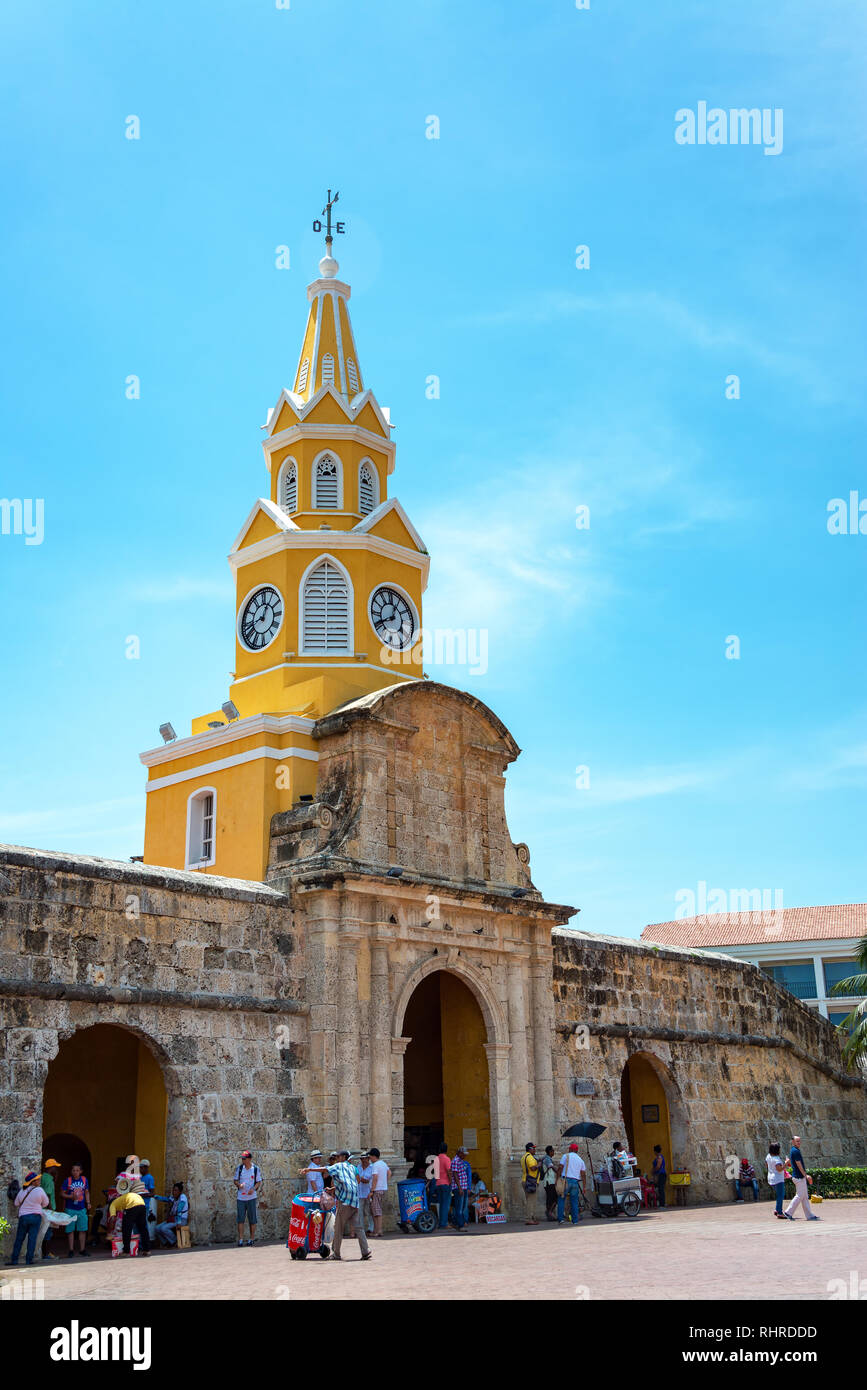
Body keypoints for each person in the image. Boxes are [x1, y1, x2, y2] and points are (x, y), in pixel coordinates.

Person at [300, 1149, 371, 1261]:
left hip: (345, 1201)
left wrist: (309, 1169)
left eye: (338, 1157)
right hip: (354, 1200)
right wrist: (333, 1188)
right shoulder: (352, 1168)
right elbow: (354, 1181)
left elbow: (325, 1169)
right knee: (359, 1227)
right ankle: (365, 1251)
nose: (336, 1159)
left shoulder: (339, 1166)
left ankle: (336, 1254)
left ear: (343, 1157)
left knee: (338, 1228)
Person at [5, 1172, 49, 1267]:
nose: (39, 1180)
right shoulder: (40, 1190)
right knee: (32, 1239)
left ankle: (14, 1260)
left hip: (24, 1217)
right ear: (32, 1182)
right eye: (37, 1179)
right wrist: (37, 1204)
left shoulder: (22, 1191)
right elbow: (46, 1203)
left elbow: (16, 1203)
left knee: (19, 1239)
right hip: (35, 1217)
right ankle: (29, 1260)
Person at [784, 1135, 818, 1221]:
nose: (799, 1143)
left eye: (799, 1141)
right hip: (799, 1177)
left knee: (804, 1196)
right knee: (799, 1196)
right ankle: (788, 1212)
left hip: (798, 1176)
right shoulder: (796, 1151)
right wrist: (805, 1175)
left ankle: (809, 1215)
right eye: (797, 1141)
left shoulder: (794, 1150)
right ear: (793, 1142)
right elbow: (799, 1165)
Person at [61, 1163, 91, 1257]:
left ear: (81, 1171)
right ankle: (71, 1250)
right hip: (70, 1209)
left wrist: (88, 1202)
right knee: (70, 1230)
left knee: (82, 1229)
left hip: (81, 1208)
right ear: (71, 1171)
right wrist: (70, 1196)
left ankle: (82, 1249)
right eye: (73, 1170)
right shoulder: (68, 1181)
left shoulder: (84, 1180)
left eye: (77, 1170)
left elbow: (86, 1192)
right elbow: (62, 1193)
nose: (75, 1172)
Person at [109, 1189, 151, 1256]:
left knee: (126, 1229)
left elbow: (112, 1219)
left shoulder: (112, 1205)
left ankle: (126, 1251)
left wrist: (110, 1232)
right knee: (143, 1228)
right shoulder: (121, 1200)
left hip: (132, 1205)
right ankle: (147, 1250)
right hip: (142, 1204)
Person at [234, 1150, 262, 1246]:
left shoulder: (255, 1169)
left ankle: (251, 1238)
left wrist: (253, 1189)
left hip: (251, 1197)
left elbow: (258, 1182)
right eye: (242, 1158)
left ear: (249, 1159)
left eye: (244, 1158)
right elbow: (235, 1180)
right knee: (240, 1219)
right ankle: (241, 1239)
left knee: (252, 1219)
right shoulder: (240, 1168)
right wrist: (239, 1185)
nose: (243, 1160)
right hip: (241, 1198)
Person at [37, 1158, 62, 1261]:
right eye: (55, 1167)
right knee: (48, 1233)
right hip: (47, 1210)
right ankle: (46, 1254)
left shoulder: (44, 1177)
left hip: (42, 1209)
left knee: (44, 1232)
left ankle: (45, 1253)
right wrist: (51, 1212)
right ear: (51, 1168)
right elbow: (47, 1195)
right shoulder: (48, 1179)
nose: (56, 1169)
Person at [558, 1143, 586, 1225]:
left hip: (565, 1181)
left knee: (561, 1199)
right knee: (574, 1202)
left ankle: (561, 1219)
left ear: (570, 1149)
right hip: (575, 1182)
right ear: (577, 1150)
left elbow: (560, 1167)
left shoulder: (565, 1156)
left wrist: (557, 1179)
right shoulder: (581, 1160)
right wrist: (584, 1187)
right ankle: (575, 1221)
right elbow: (583, 1175)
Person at [368, 1147, 392, 1238]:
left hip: (376, 1190)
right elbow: (389, 1173)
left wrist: (372, 1190)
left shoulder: (375, 1165)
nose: (369, 1158)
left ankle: (378, 1230)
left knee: (376, 1211)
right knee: (376, 1210)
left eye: (370, 1156)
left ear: (374, 1156)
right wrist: (384, 1182)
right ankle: (377, 1230)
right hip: (382, 1189)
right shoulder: (383, 1163)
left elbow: (375, 1178)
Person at [450, 1146, 471, 1232]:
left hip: (464, 1186)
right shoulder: (455, 1161)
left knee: (462, 1207)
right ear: (459, 1153)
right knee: (459, 1207)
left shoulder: (461, 1161)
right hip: (459, 1187)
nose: (465, 1156)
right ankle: (460, 1225)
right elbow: (455, 1175)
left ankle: (456, 1223)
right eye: (464, 1154)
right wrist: (460, 1188)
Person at [765, 1143, 788, 1218]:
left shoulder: (768, 1156)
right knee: (780, 1195)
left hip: (771, 1178)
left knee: (779, 1195)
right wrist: (786, 1164)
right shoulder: (776, 1159)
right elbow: (779, 1169)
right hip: (778, 1179)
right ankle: (779, 1212)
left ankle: (777, 1209)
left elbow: (767, 1165)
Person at [434, 1143, 452, 1229]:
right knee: (446, 1205)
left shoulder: (436, 1159)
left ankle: (441, 1222)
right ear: (446, 1150)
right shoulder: (447, 1159)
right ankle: (444, 1223)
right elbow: (449, 1171)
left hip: (438, 1184)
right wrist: (451, 1181)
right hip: (445, 1184)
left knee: (441, 1204)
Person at [521, 1142, 540, 1225]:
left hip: (526, 1180)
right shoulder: (530, 1157)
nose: (535, 1150)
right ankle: (529, 1219)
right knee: (530, 1201)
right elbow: (532, 1168)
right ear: (530, 1149)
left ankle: (532, 1218)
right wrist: (538, 1165)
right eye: (533, 1148)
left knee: (530, 1200)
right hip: (530, 1181)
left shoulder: (524, 1157)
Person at [356, 1152, 375, 1235]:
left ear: (368, 1159)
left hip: (368, 1192)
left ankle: (371, 1227)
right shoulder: (358, 1167)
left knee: (369, 1211)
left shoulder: (372, 1168)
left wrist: (362, 1179)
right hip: (359, 1192)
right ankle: (361, 1229)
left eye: (365, 1158)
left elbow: (368, 1180)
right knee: (359, 1212)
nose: (363, 1160)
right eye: (362, 1159)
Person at [540, 1145, 558, 1221]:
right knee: (555, 1198)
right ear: (550, 1151)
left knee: (550, 1198)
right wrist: (559, 1171)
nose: (554, 1152)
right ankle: (549, 1212)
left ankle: (549, 1214)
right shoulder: (547, 1159)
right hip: (549, 1181)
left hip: (549, 1181)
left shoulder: (546, 1158)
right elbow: (552, 1168)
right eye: (553, 1151)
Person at [652, 1144, 667, 1209]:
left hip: (661, 1174)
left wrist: (653, 1171)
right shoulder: (658, 1157)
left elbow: (658, 1166)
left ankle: (662, 1205)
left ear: (655, 1151)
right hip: (659, 1174)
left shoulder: (659, 1157)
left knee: (661, 1189)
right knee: (659, 1189)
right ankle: (661, 1203)